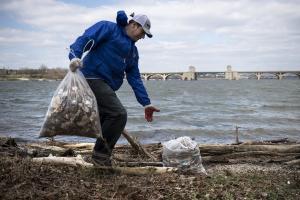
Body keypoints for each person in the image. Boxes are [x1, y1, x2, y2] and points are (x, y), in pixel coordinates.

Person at [68, 11, 160, 166]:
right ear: (133, 24)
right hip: (91, 77)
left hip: (105, 85)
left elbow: (135, 78)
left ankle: (99, 156)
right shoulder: (108, 28)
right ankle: (100, 158)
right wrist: (75, 57)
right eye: (142, 32)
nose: (143, 37)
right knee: (118, 114)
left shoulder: (132, 51)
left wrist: (146, 103)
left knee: (108, 119)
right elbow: (85, 39)